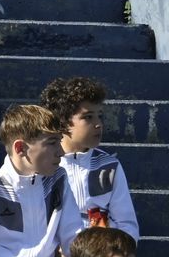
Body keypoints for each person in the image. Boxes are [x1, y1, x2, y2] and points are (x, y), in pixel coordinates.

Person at [0, 104, 84, 257]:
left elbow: (74, 240)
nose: (61, 152)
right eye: (52, 143)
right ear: (20, 148)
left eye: (60, 142)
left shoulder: (58, 179)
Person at [41, 76, 139, 238]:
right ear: (63, 122)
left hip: (102, 254)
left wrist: (115, 252)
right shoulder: (45, 165)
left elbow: (127, 224)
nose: (98, 123)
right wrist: (53, 249)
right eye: (88, 117)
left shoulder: (109, 166)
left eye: (99, 115)